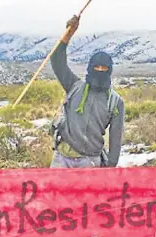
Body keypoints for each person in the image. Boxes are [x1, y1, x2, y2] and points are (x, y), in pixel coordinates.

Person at [48, 15, 125, 168]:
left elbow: (116, 138)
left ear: (109, 71)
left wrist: (110, 168)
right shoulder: (74, 86)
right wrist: (69, 32)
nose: (100, 71)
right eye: (97, 68)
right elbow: (57, 60)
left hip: (90, 162)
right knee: (54, 193)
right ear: (90, 68)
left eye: (104, 69)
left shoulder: (115, 102)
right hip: (62, 158)